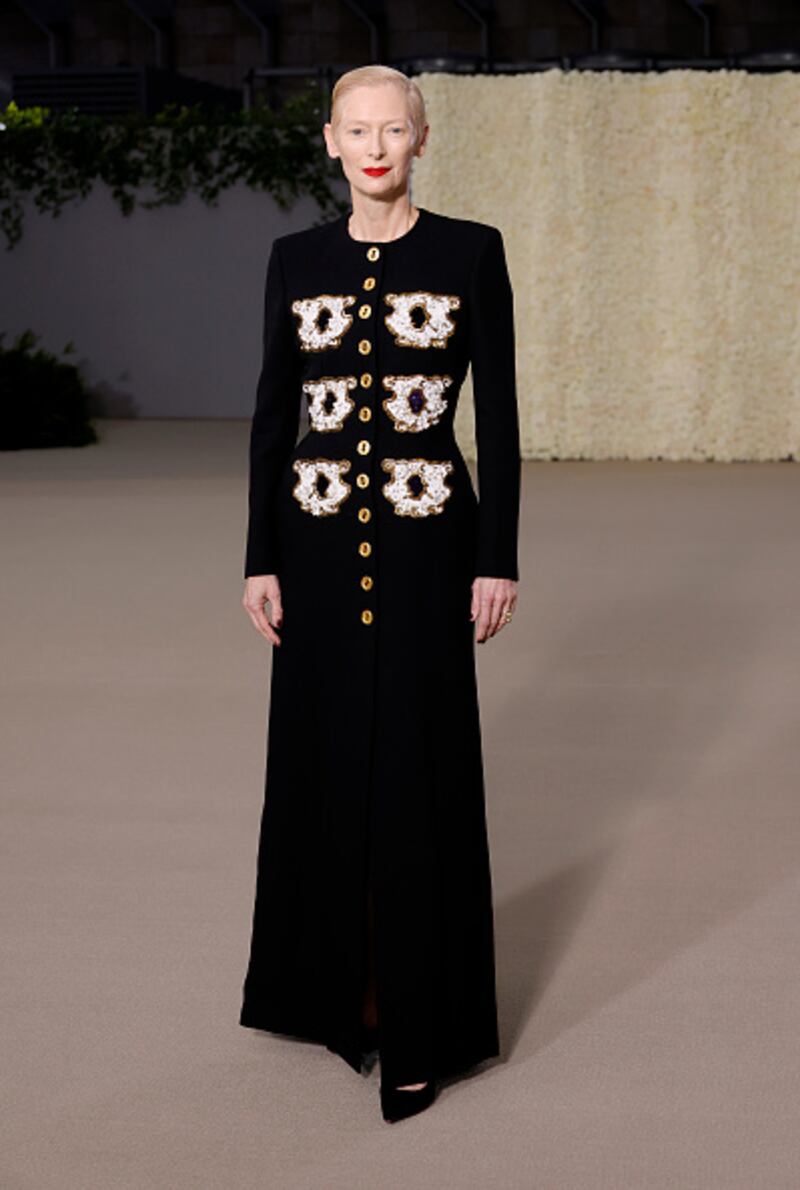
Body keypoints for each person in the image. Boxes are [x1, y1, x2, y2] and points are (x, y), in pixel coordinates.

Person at [239, 63, 521, 1123]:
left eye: (392, 130)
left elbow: (499, 417)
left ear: (420, 138)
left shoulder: (470, 251)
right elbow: (273, 420)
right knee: (320, 767)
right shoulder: (294, 259)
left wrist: (497, 556)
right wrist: (258, 557)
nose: (374, 148)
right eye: (356, 130)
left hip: (428, 553)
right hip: (311, 554)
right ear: (329, 140)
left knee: (415, 775)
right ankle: (332, 996)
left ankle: (419, 1027)